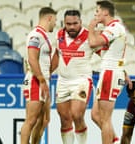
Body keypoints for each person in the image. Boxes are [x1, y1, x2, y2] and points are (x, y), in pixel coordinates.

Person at [88, 1, 132, 144]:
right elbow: (107, 53)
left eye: (97, 11)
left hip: (110, 74)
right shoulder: (114, 29)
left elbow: (93, 43)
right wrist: (124, 72)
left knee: (105, 118)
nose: (95, 14)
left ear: (106, 13)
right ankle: (113, 138)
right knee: (95, 115)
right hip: (110, 71)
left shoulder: (114, 28)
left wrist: (90, 28)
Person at [54, 10, 94, 144]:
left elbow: (105, 54)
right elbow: (56, 55)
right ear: (64, 23)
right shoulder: (59, 34)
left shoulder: (90, 36)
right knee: (64, 120)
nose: (71, 27)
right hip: (63, 81)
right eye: (68, 24)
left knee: (77, 115)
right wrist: (47, 72)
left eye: (75, 23)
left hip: (82, 81)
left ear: (81, 22)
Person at [21, 7, 57, 144]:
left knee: (44, 121)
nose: (55, 23)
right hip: (36, 81)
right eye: (55, 20)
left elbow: (47, 63)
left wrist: (59, 53)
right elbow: (32, 58)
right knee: (31, 120)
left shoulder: (43, 36)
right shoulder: (35, 35)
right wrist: (41, 80)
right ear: (49, 18)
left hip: (44, 81)